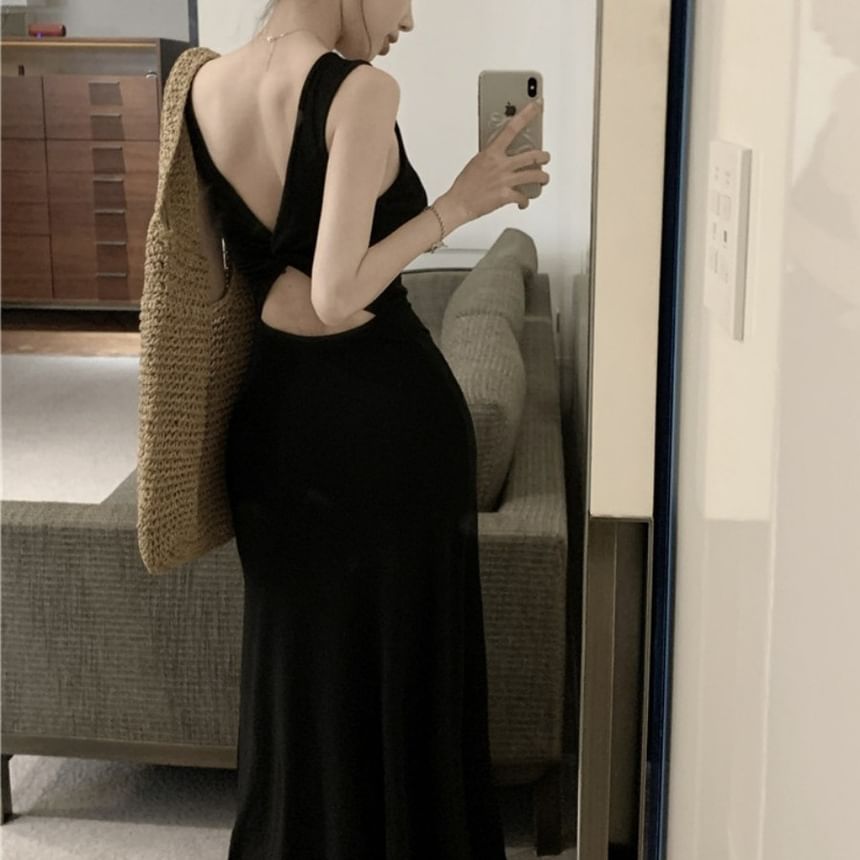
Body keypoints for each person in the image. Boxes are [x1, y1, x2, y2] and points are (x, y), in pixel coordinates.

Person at [183, 0, 551, 856]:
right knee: (401, 668)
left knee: (297, 670)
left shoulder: (202, 87)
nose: (409, 17)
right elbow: (336, 291)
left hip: (272, 420)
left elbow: (220, 272)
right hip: (382, 428)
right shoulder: (362, 91)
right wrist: (456, 204)